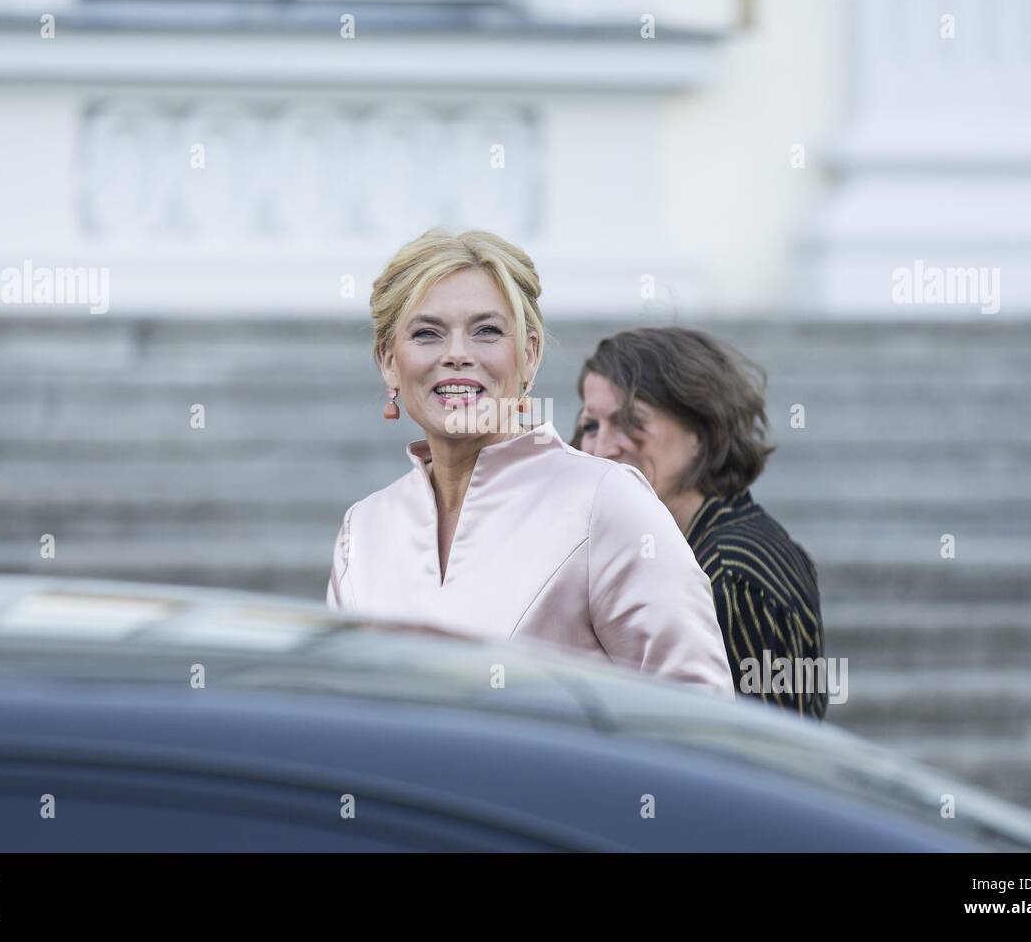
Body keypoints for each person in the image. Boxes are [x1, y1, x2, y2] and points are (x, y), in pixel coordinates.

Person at [325, 228, 734, 696]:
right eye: (427, 333)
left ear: (530, 356)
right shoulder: (364, 527)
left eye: (487, 331)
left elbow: (698, 710)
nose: (457, 354)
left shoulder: (605, 501)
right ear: (388, 362)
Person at [572, 328, 827, 718]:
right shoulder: (673, 548)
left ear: (702, 431)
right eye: (590, 426)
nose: (602, 448)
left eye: (630, 421)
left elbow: (757, 753)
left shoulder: (731, 572)